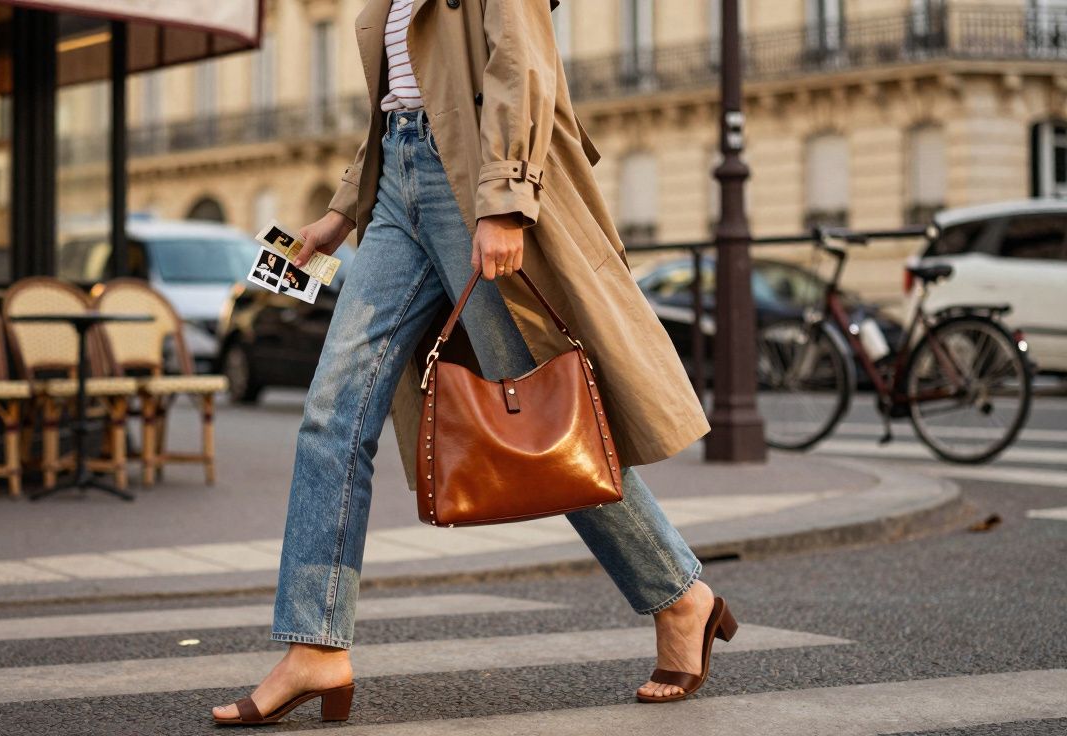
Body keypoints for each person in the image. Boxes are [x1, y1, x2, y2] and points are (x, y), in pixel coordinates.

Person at [212, 0, 734, 725]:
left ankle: (681, 596)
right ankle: (316, 644)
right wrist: (340, 211)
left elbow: (520, 63)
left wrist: (504, 200)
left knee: (544, 425)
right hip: (396, 186)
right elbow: (402, 90)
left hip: (470, 178)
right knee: (332, 410)